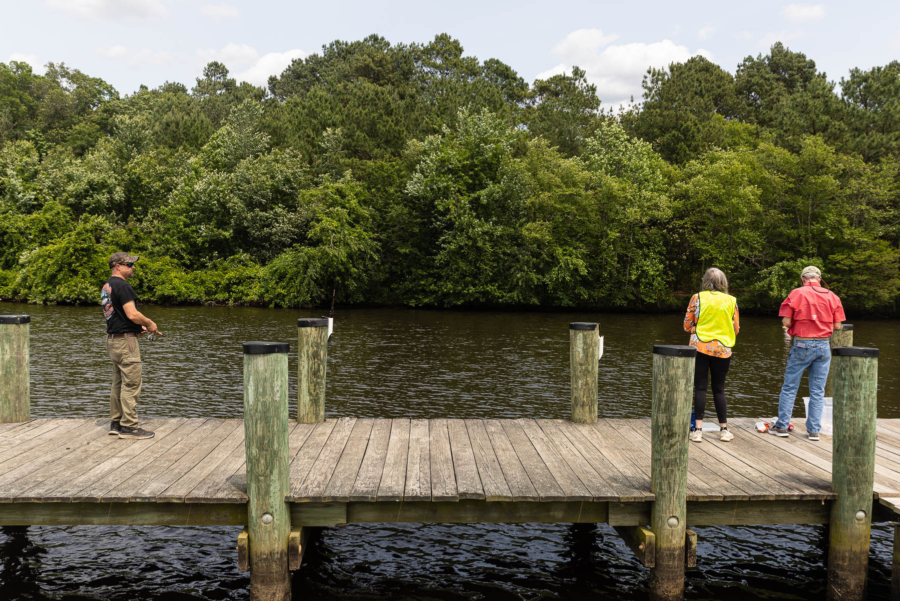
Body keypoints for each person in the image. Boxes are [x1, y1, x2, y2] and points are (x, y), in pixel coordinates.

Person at [770, 266, 845, 441]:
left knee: (789, 387)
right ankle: (813, 431)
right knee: (818, 391)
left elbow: (786, 323)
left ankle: (781, 427)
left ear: (803, 279)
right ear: (819, 279)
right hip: (823, 346)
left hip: (802, 344)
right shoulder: (833, 296)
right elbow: (837, 326)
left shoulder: (796, 294)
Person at [101, 252, 159, 440]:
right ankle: (129, 427)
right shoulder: (124, 286)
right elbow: (132, 314)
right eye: (129, 264)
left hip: (113, 340)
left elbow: (117, 315)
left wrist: (135, 328)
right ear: (118, 266)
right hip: (126, 343)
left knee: (118, 383)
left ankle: (116, 423)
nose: (133, 267)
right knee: (131, 383)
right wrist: (149, 324)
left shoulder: (107, 286)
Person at [684, 268, 739, 443]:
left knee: (700, 388)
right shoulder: (732, 301)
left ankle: (698, 431)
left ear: (705, 281)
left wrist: (696, 330)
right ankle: (724, 430)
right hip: (723, 349)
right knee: (719, 388)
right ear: (723, 282)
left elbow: (687, 325)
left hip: (699, 347)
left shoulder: (697, 298)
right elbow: (736, 329)